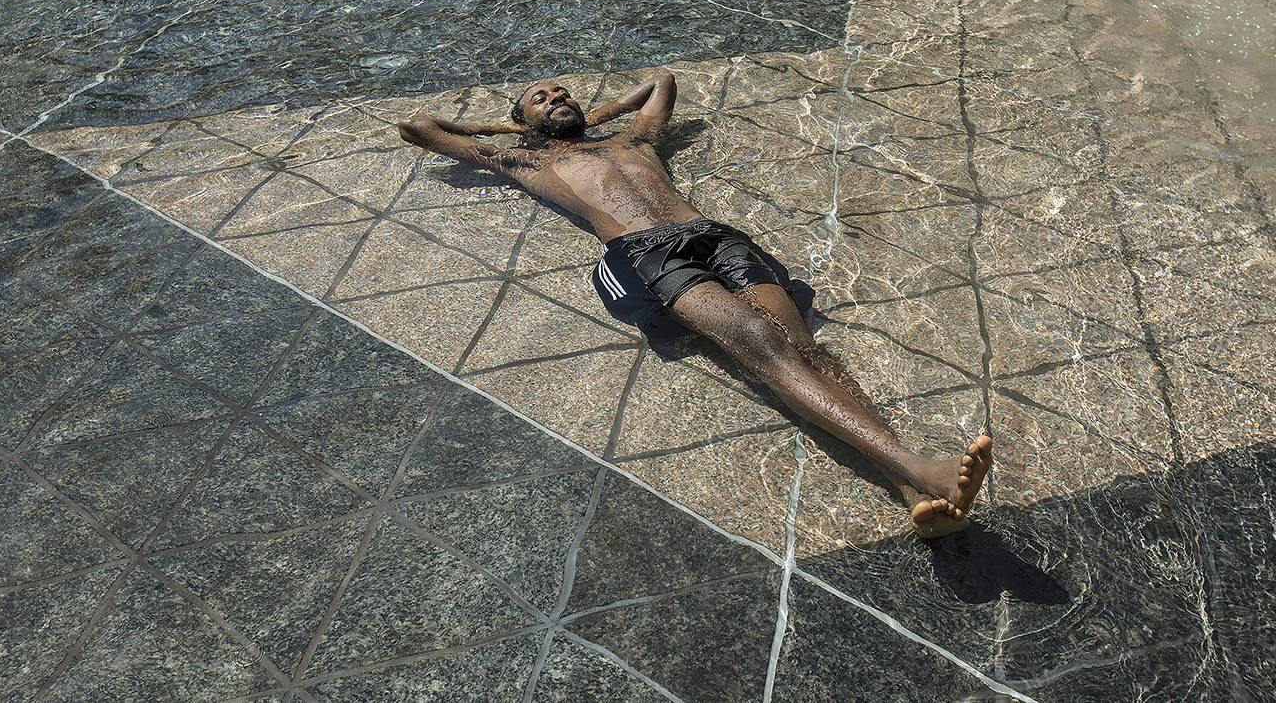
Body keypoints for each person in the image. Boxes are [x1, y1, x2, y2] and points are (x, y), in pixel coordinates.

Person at [398, 70, 992, 537]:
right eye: (541, 98)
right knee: (765, 351)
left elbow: (662, 82)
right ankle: (913, 466)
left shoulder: (633, 136)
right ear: (521, 120)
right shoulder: (524, 158)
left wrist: (591, 114)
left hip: (714, 234)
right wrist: (518, 129)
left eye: (564, 93)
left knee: (803, 346)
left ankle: (919, 493)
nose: (557, 98)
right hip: (648, 253)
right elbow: (419, 127)